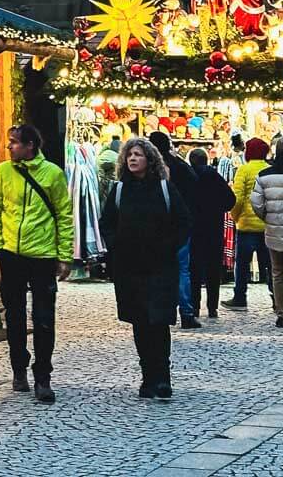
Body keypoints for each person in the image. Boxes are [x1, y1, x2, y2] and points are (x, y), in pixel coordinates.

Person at [0, 124, 72, 404]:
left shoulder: (53, 174)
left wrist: (64, 254)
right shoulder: (3, 172)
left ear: (30, 145)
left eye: (14, 142)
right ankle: (18, 367)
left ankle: (43, 376)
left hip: (43, 254)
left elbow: (64, 215)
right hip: (11, 253)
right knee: (15, 314)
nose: (9, 147)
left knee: (44, 318)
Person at [99, 136, 190, 400]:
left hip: (160, 266)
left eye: (138, 154)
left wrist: (169, 246)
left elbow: (183, 221)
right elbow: (107, 223)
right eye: (129, 155)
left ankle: (162, 377)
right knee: (140, 322)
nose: (132, 159)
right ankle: (147, 376)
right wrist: (117, 245)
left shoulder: (164, 189)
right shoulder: (118, 191)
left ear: (149, 159)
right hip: (130, 268)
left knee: (158, 321)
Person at [148, 130, 198, 329]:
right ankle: (186, 312)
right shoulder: (178, 165)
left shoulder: (149, 169)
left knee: (155, 268)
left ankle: (158, 309)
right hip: (178, 224)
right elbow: (194, 182)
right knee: (182, 269)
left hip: (155, 225)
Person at [251, 136, 283, 329]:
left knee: (277, 272)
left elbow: (256, 203)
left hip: (274, 229)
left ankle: (282, 315)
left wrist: (267, 217)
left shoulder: (264, 176)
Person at [186, 147, 235, 319]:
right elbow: (230, 200)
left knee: (194, 270)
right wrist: (218, 208)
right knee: (213, 269)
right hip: (214, 228)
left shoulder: (189, 177)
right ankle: (212, 307)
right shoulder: (215, 177)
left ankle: (194, 306)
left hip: (194, 229)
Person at [223, 136, 271, 308]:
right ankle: (276, 299)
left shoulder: (243, 170)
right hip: (266, 226)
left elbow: (237, 199)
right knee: (270, 265)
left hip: (246, 226)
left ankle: (240, 297)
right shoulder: (269, 170)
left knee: (242, 265)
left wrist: (235, 217)